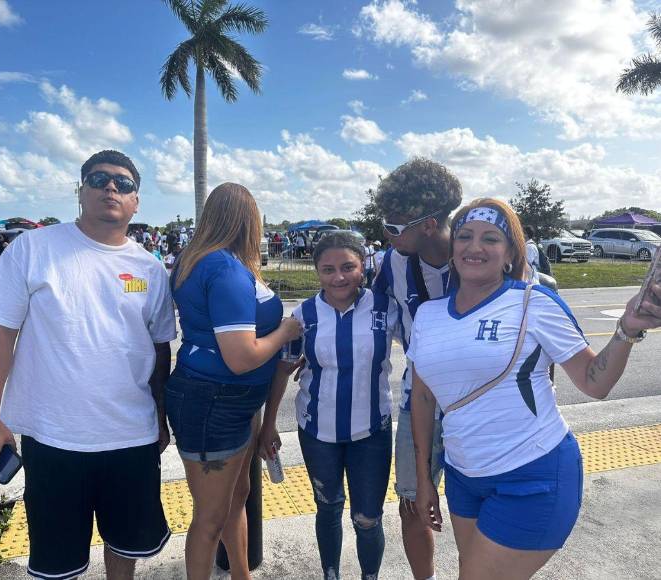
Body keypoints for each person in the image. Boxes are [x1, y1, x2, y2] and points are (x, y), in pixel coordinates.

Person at [408, 198, 661, 580]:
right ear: (452, 247)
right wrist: (424, 478)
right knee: (468, 568)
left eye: (491, 238)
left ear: (511, 253)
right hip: (463, 477)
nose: (475, 247)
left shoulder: (534, 303)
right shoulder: (427, 315)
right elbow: (424, 398)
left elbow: (595, 382)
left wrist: (627, 328)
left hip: (533, 475)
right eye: (465, 236)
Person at [0, 150, 175, 580]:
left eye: (124, 183)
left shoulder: (149, 269)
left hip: (132, 436)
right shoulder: (33, 249)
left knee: (126, 545)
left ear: (136, 202)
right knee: (58, 561)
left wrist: (160, 417)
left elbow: (158, 350)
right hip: (54, 437)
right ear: (81, 191)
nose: (111, 188)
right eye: (99, 179)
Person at [166, 182, 301, 580]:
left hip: (232, 402)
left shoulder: (210, 262)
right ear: (248, 221)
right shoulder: (222, 268)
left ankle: (242, 574)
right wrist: (286, 332)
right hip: (215, 403)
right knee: (209, 518)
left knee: (236, 497)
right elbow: (241, 357)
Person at [259, 232, 400, 580]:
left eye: (348, 267)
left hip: (372, 431)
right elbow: (283, 369)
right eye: (328, 269)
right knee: (328, 507)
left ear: (362, 266)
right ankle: (331, 574)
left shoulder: (386, 308)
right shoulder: (304, 314)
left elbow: (424, 349)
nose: (339, 277)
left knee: (367, 518)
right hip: (317, 431)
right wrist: (269, 423)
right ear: (317, 271)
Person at [371, 158, 463, 580]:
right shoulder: (390, 265)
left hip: (477, 403)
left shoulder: (481, 253)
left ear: (428, 224)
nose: (386, 234)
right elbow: (374, 318)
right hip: (416, 398)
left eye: (394, 225)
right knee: (411, 501)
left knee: (472, 504)